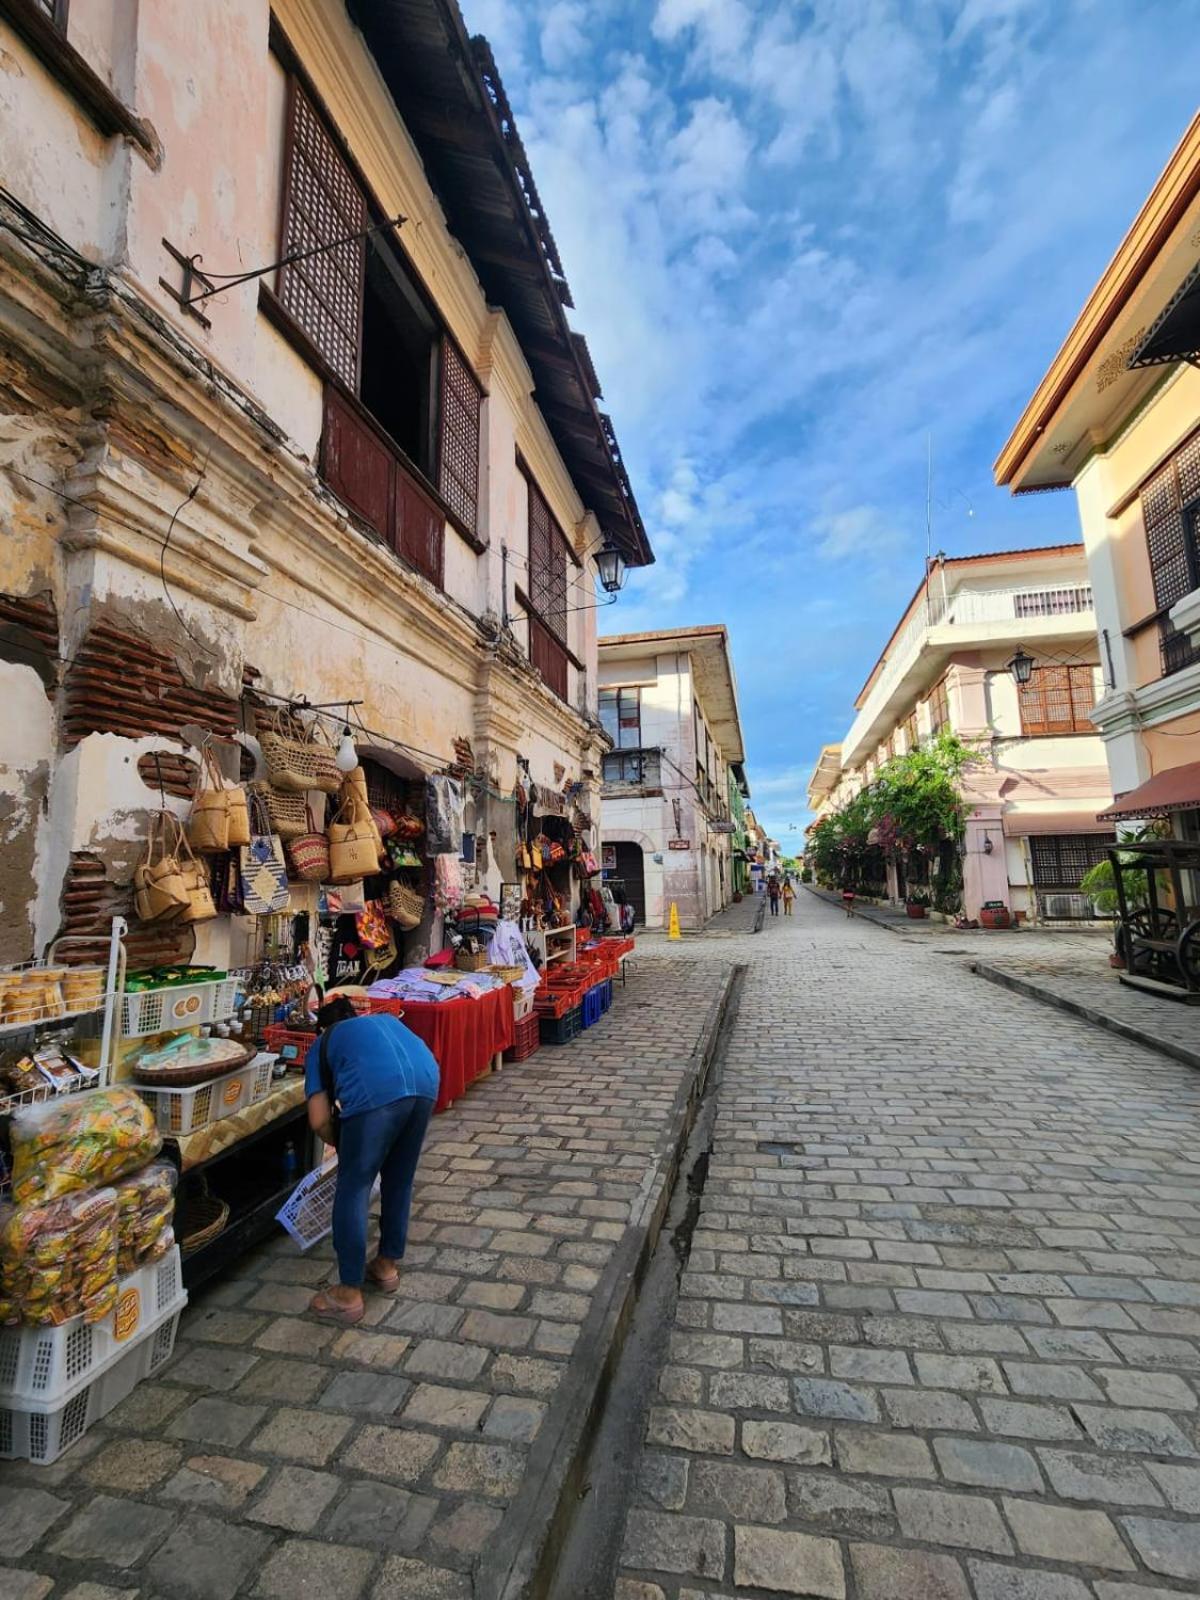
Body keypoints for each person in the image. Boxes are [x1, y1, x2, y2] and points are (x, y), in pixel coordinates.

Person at [304, 996, 440, 1324]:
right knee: (399, 1180)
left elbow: (318, 1119)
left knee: (354, 1184)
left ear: (323, 1028)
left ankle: (349, 1293)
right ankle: (386, 1265)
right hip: (426, 1082)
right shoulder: (385, 1022)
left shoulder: (321, 1044)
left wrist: (344, 1145)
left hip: (376, 1094)